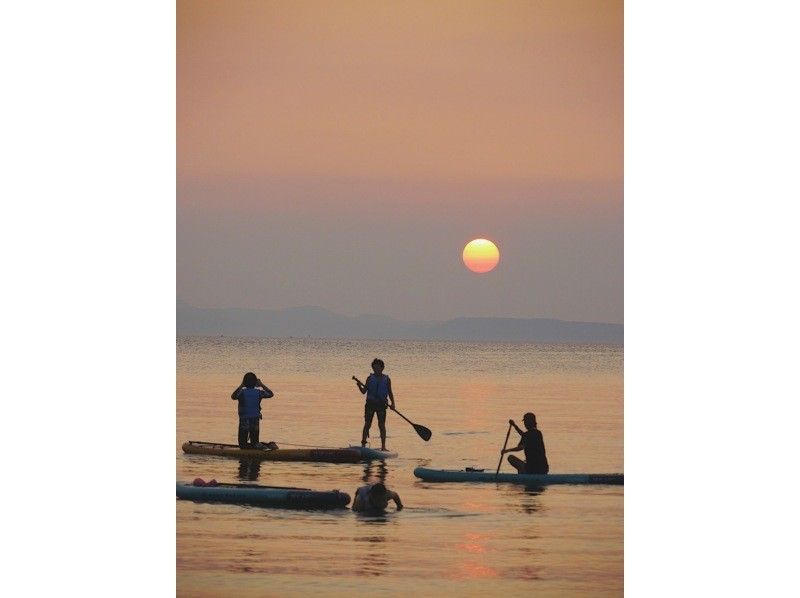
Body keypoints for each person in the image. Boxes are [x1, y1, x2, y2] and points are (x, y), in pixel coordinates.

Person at [352, 358, 396, 451]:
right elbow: (364, 392)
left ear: (382, 368)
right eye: (374, 368)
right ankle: (363, 443)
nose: (376, 370)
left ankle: (383, 446)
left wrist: (393, 404)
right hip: (370, 404)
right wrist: (359, 385)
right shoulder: (369, 378)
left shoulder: (387, 379)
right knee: (367, 424)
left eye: (378, 368)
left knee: (381, 425)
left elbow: (390, 392)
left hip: (381, 405)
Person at [231, 372, 274, 448]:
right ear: (255, 383)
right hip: (255, 420)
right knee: (255, 443)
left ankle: (264, 446)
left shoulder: (242, 393)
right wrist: (261, 384)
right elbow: (270, 394)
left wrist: (241, 385)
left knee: (242, 445)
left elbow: (233, 396)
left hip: (244, 421)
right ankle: (267, 445)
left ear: (244, 382)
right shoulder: (259, 392)